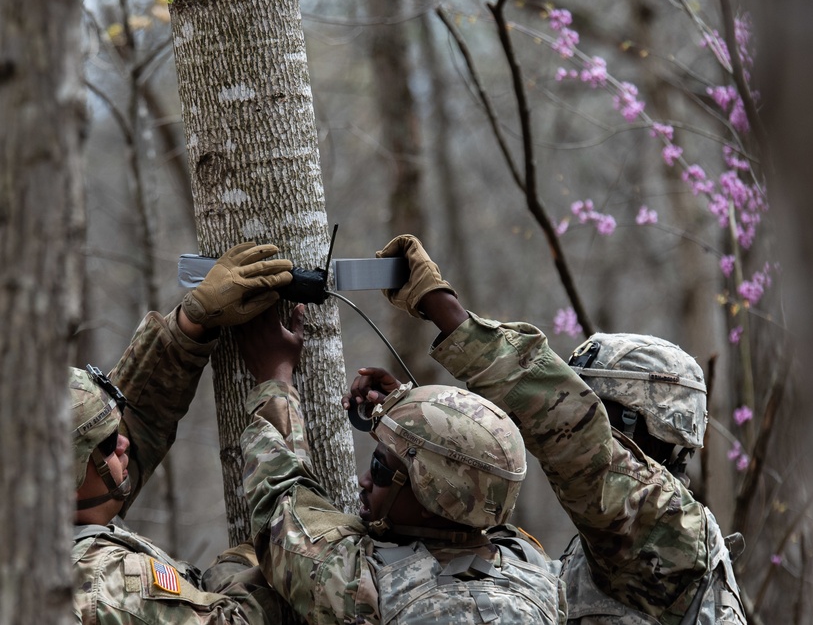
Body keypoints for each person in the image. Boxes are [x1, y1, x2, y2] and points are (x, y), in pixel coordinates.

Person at [366, 234, 748, 625]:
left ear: (642, 423)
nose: (584, 421)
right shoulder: (617, 543)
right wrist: (411, 422)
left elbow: (569, 429)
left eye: (597, 410)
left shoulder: (668, 530)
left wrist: (443, 307)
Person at [235, 303, 567, 624]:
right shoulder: (536, 571)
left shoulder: (364, 585)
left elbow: (281, 504)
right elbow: (473, 473)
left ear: (431, 498)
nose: (365, 480)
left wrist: (274, 377)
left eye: (380, 470)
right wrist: (411, 413)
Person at [72, 241, 296, 624]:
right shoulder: (105, 588)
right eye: (109, 445)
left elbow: (135, 420)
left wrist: (191, 323)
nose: (124, 442)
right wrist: (244, 568)